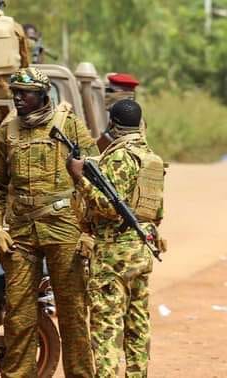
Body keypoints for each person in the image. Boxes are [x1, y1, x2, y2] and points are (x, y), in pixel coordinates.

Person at [0, 67, 95, 377]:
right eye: (14, 92)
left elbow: (96, 181)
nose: (17, 97)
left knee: (73, 313)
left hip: (64, 229)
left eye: (24, 93)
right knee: (19, 315)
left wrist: (89, 232)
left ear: (43, 95)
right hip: (19, 233)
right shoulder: (8, 131)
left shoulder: (69, 126)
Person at [67, 99, 165, 378]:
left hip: (114, 252)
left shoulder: (119, 157)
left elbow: (109, 208)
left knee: (107, 325)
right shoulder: (150, 157)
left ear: (112, 124)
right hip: (141, 249)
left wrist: (79, 179)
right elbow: (156, 211)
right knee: (137, 323)